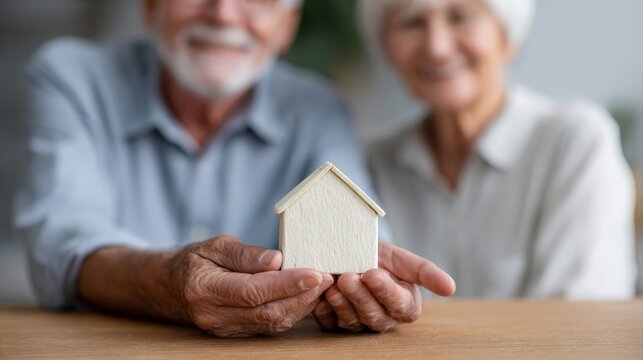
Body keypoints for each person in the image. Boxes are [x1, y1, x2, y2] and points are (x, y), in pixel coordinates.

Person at [15, 0, 456, 337]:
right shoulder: (72, 79)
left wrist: (370, 278)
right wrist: (167, 283)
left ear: (286, 27)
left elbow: (352, 217)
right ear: (150, 7)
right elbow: (61, 238)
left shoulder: (320, 109)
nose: (224, 14)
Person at [359, 0, 637, 299]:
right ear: (386, 49)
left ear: (508, 38)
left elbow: (581, 316)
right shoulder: (370, 162)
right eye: (412, 23)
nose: (436, 48)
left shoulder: (575, 141)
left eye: (461, 16)